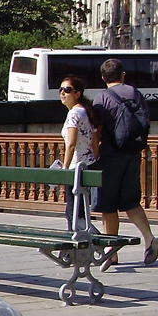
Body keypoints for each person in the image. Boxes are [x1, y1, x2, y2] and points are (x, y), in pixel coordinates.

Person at [92, 58, 158, 269]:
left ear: (103, 78)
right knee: (131, 201)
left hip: (110, 156)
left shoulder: (101, 98)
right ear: (123, 75)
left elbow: (98, 130)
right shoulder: (135, 94)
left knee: (108, 205)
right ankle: (149, 238)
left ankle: (111, 251)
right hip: (132, 154)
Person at [58, 75, 98, 232]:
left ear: (78, 93)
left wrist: (65, 169)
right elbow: (94, 143)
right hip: (88, 165)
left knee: (73, 213)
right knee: (80, 212)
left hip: (76, 168)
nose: (62, 93)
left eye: (67, 90)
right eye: (60, 89)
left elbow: (71, 144)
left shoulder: (74, 114)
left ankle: (79, 246)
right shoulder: (86, 112)